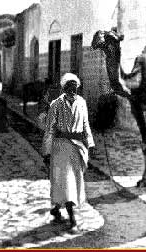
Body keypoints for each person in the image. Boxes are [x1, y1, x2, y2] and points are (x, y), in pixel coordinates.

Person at [39, 72, 95, 233]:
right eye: (69, 87)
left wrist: (90, 144)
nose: (72, 90)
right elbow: (50, 129)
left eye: (75, 87)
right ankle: (72, 220)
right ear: (64, 88)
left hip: (77, 148)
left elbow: (86, 125)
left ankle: (56, 207)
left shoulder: (82, 103)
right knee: (66, 181)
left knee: (71, 182)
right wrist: (47, 151)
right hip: (60, 146)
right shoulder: (56, 104)